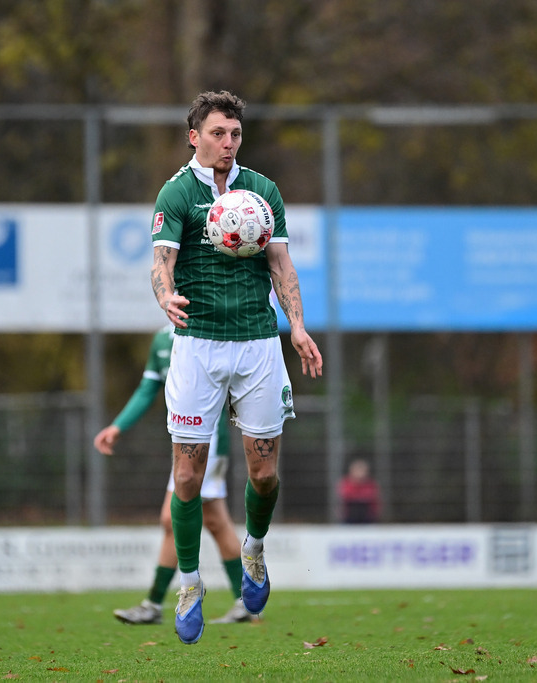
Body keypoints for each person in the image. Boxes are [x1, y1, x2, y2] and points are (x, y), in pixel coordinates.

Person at [149, 90, 323, 644]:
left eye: (236, 135)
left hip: (256, 345)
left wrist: (295, 325)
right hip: (197, 346)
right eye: (218, 134)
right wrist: (166, 297)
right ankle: (192, 582)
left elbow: (281, 263)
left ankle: (253, 548)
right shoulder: (176, 193)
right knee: (187, 477)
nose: (228, 144)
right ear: (194, 136)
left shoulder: (262, 191)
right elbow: (161, 262)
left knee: (264, 474)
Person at [93, 325, 257, 626]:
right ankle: (243, 601)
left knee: (177, 519)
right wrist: (118, 426)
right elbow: (147, 389)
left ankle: (156, 603)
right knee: (213, 522)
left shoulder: (212, 330)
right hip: (185, 447)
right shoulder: (161, 339)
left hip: (207, 445)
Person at [339, 458, 381, 524]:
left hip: (368, 518)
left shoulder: (371, 484)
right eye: (357, 470)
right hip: (349, 518)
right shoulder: (346, 483)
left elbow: (372, 497)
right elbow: (346, 495)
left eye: (362, 471)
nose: (359, 473)